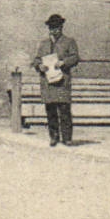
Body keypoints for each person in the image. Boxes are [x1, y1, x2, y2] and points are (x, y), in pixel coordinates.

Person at [32, 13, 80, 146]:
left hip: (62, 82)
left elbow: (75, 57)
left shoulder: (69, 42)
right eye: (52, 28)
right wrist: (39, 66)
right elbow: (36, 59)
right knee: (50, 111)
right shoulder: (43, 44)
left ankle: (67, 138)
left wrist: (63, 62)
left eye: (57, 28)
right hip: (48, 83)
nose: (54, 31)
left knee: (64, 111)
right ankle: (54, 137)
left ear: (61, 27)